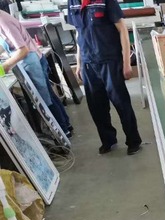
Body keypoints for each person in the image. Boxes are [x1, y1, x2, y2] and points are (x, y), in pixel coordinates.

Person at [68, 0, 142, 155]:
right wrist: (79, 62)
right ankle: (108, 140)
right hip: (88, 62)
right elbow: (79, 32)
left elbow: (122, 29)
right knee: (97, 106)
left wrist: (127, 62)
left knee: (121, 103)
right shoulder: (72, 2)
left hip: (110, 60)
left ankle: (133, 140)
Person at [0, 11, 72, 137]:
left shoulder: (4, 21)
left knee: (44, 101)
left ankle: (62, 131)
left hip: (31, 61)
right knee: (49, 96)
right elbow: (7, 42)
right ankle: (66, 126)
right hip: (32, 59)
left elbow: (23, 50)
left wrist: (4, 67)